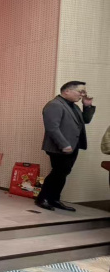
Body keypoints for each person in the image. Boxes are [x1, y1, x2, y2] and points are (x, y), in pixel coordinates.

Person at [36, 81, 95, 211]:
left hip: (73, 145)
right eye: (80, 91)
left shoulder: (74, 107)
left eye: (84, 92)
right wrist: (64, 145)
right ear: (67, 91)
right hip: (60, 146)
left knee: (63, 173)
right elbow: (52, 128)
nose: (82, 94)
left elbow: (85, 120)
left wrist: (87, 106)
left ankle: (54, 199)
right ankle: (43, 198)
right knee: (58, 172)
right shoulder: (54, 105)